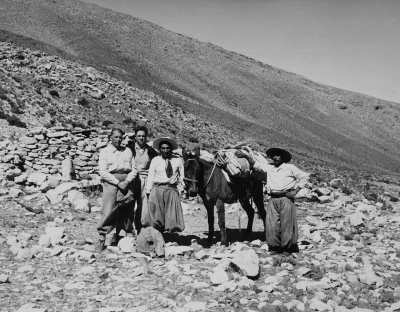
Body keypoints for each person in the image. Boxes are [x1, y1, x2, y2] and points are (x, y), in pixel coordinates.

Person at [236, 147, 309, 254]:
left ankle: (287, 247)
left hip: (286, 198)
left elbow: (305, 176)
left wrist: (296, 190)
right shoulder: (269, 167)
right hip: (273, 198)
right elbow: (256, 165)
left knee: (286, 223)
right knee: (272, 223)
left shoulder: (290, 168)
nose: (275, 158)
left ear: (283, 158)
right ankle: (274, 246)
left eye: (278, 155)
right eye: (274, 156)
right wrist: (246, 156)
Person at [97, 128, 138, 251]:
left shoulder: (128, 151)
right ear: (111, 137)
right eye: (116, 137)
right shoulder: (105, 152)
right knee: (109, 209)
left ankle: (128, 234)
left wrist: (126, 181)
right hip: (111, 182)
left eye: (120, 137)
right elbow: (103, 172)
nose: (118, 140)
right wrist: (117, 182)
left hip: (126, 182)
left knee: (128, 208)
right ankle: (102, 238)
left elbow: (134, 169)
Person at [144, 137, 185, 236]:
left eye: (167, 148)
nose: (165, 150)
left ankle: (171, 235)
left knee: (172, 214)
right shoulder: (155, 160)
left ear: (171, 149)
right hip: (158, 189)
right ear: (160, 149)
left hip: (171, 189)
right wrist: (148, 191)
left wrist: (180, 189)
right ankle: (158, 235)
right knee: (157, 214)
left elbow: (181, 176)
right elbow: (151, 176)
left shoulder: (177, 160)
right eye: (163, 148)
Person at [126, 126, 158, 234]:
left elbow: (155, 165)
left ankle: (140, 227)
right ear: (135, 137)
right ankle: (128, 229)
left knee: (142, 205)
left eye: (143, 136)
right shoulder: (129, 149)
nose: (141, 138)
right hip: (131, 179)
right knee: (129, 203)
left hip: (145, 180)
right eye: (139, 136)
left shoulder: (151, 151)